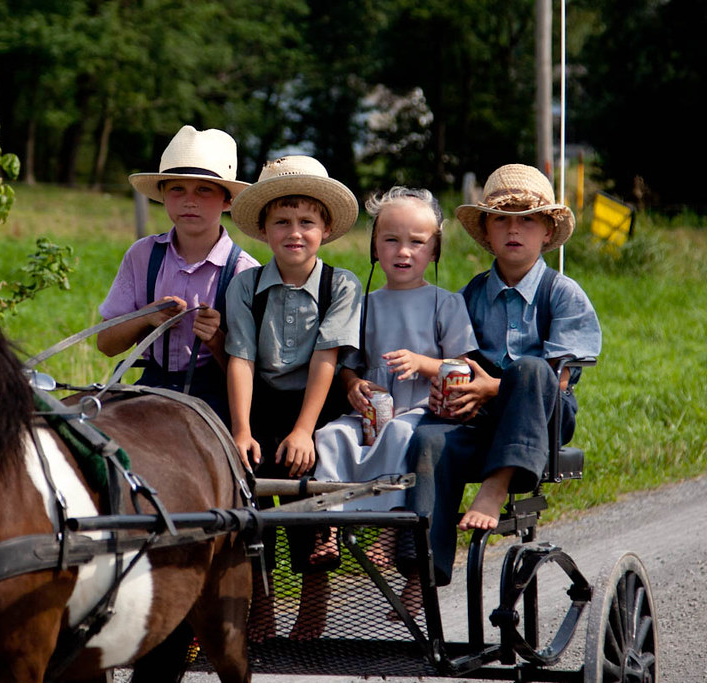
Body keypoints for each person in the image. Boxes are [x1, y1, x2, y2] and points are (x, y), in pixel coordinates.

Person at [404, 163, 602, 587]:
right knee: (428, 438)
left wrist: (492, 387)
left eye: (527, 220)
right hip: (478, 418)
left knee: (531, 369)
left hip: (542, 418)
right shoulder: (472, 294)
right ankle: (422, 565)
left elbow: (559, 380)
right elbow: (451, 357)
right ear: (488, 234)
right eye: (502, 221)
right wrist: (450, 385)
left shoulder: (561, 293)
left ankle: (497, 484)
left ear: (547, 232)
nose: (515, 230)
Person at [313, 188, 477, 612]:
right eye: (390, 240)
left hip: (422, 409)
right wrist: (352, 385)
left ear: (435, 249)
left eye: (417, 242)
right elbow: (349, 362)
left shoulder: (446, 303)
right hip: (372, 408)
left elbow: (461, 364)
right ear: (374, 247)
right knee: (330, 437)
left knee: (402, 437)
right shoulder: (365, 305)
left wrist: (423, 363)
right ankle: (328, 527)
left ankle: (387, 534)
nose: (403, 252)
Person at [225, 155, 362, 641]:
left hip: (317, 404)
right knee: (250, 498)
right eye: (281, 222)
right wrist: (241, 429)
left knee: (306, 491)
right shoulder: (245, 286)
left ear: (325, 228)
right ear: (263, 230)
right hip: (259, 403)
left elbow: (328, 356)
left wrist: (304, 430)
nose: (295, 232)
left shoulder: (340, 284)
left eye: (307, 221)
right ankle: (259, 612)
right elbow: (239, 358)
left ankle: (311, 618)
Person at [97, 125, 259, 423]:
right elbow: (106, 344)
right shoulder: (142, 255)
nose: (189, 201)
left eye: (203, 190)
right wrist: (145, 317)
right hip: (150, 384)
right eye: (177, 189)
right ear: (163, 196)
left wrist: (216, 339)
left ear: (227, 200)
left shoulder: (244, 271)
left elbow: (252, 373)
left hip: (216, 397)